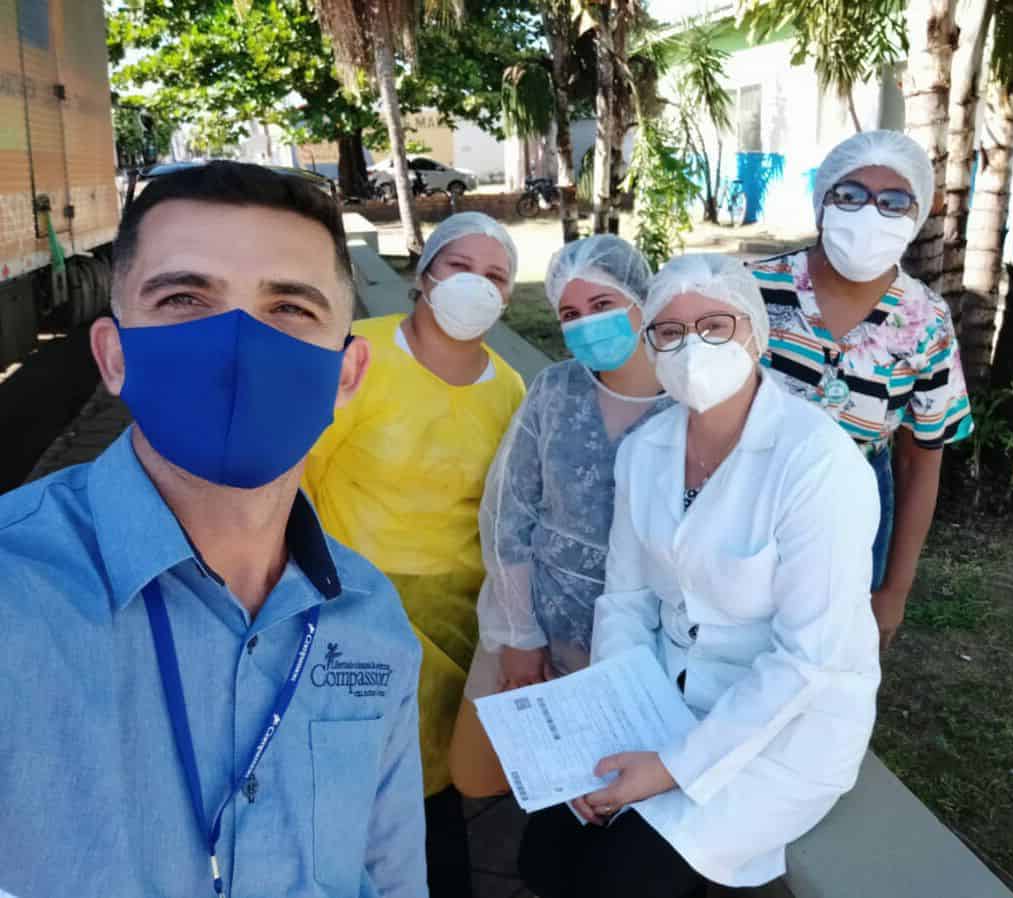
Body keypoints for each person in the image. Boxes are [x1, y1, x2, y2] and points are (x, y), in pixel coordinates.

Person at [0, 162, 426, 898]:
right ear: (112, 356)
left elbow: (389, 876)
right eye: (184, 298)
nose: (235, 344)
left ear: (348, 373)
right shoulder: (15, 594)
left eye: (289, 308)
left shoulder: (371, 620)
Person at [517, 254, 882, 897]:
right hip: (661, 695)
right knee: (544, 854)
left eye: (715, 325)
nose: (692, 346)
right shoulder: (646, 451)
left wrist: (669, 767)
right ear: (650, 345)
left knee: (616, 878)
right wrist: (621, 722)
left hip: (785, 726)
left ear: (755, 336)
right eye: (669, 331)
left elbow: (805, 660)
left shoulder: (816, 463)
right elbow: (626, 600)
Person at [302, 211, 526, 897]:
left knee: (429, 792)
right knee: (335, 786)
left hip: (454, 625)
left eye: (495, 276)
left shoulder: (512, 391)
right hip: (345, 610)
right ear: (423, 276)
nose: (476, 286)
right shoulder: (356, 359)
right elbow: (293, 476)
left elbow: (504, 517)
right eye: (460, 267)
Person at [448, 235, 669, 798]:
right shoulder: (554, 389)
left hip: (640, 648)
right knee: (478, 775)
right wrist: (519, 634)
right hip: (532, 619)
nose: (586, 325)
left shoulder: (690, 406)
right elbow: (508, 512)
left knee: (591, 786)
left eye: (602, 307)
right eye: (570, 314)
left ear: (643, 301)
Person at [749, 130, 973, 650]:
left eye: (894, 201)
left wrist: (895, 588)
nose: (871, 213)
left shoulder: (927, 322)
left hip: (855, 506)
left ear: (915, 219)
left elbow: (922, 461)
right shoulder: (754, 289)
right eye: (850, 195)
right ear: (822, 202)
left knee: (823, 665)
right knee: (731, 648)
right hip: (749, 492)